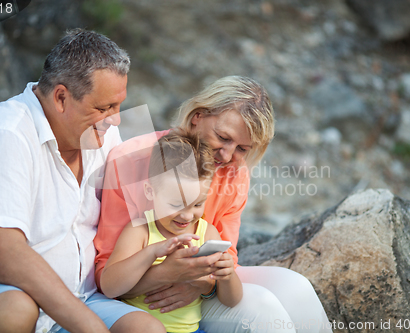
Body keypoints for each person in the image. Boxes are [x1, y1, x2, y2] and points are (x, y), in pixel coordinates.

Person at [0, 29, 165, 333]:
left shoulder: (104, 133)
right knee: (13, 311)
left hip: (80, 298)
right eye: (103, 108)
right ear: (61, 97)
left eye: (118, 106)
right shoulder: (4, 134)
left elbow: (152, 203)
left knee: (145, 329)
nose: (115, 119)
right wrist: (91, 328)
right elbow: (3, 254)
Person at [95, 76, 332, 332]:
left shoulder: (235, 172)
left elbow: (226, 256)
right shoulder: (130, 160)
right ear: (198, 116)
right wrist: (167, 275)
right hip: (137, 299)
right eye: (223, 137)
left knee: (297, 287)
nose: (228, 156)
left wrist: (202, 285)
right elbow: (105, 274)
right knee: (263, 310)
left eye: (243, 148)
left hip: (198, 292)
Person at [101, 130, 243, 333]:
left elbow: (232, 301)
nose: (186, 216)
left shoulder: (207, 232)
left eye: (198, 204)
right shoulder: (140, 231)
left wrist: (227, 276)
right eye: (177, 204)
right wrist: (151, 253)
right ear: (151, 192)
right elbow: (110, 287)